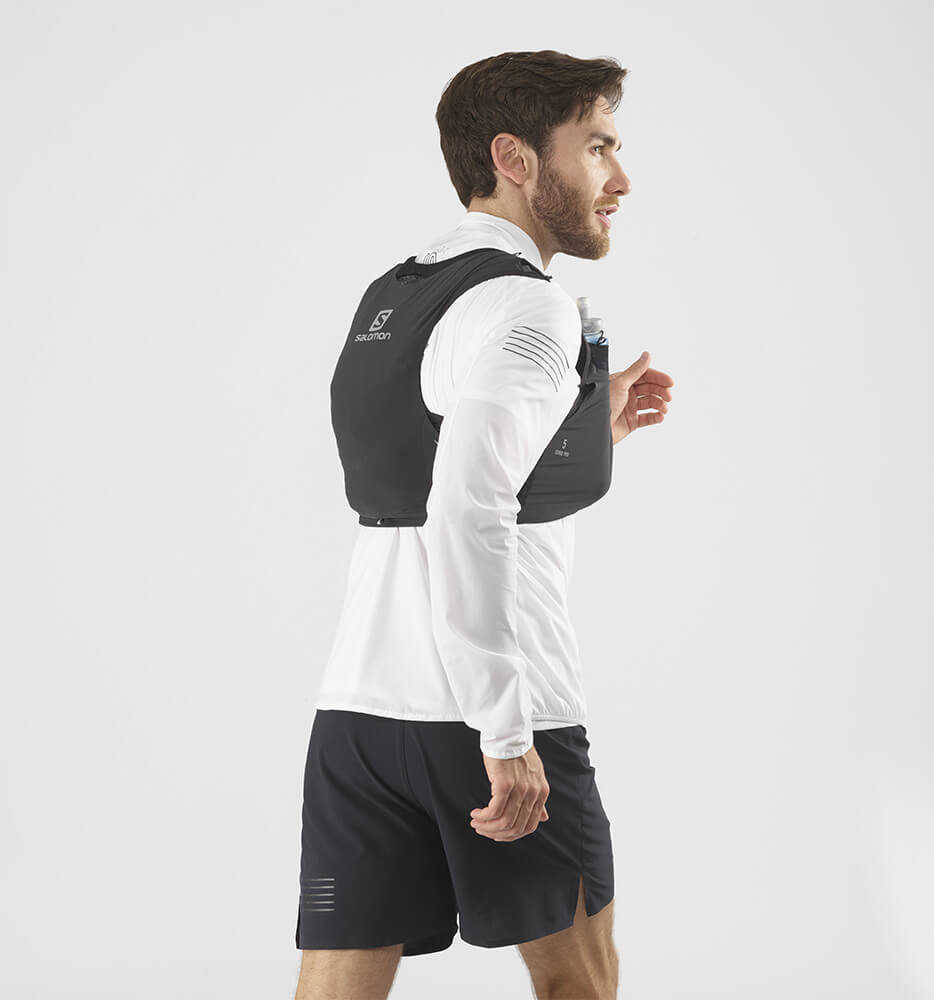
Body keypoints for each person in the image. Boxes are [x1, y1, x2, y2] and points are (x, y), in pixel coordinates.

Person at [294, 49, 673, 1000]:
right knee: (580, 985)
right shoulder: (531, 307)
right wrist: (503, 728)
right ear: (514, 157)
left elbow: (417, 468)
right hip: (494, 713)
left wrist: (584, 434)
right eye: (597, 147)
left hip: (359, 715)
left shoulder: (396, 292)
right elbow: (466, 512)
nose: (620, 179)